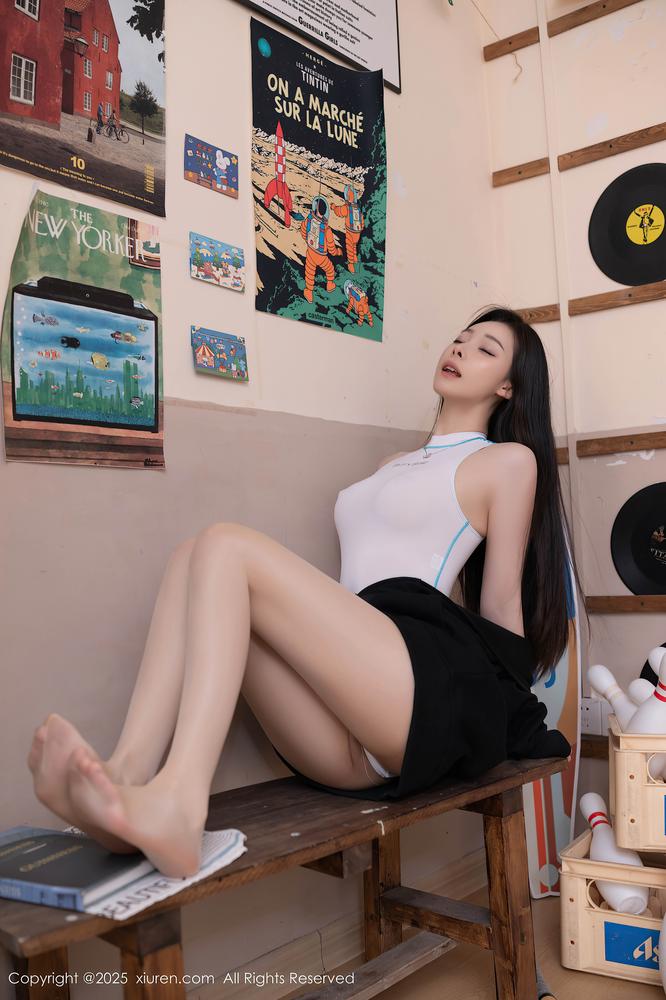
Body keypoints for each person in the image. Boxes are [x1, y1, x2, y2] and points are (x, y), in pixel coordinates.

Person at [27, 305, 579, 885]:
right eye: (460, 337)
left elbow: (499, 605)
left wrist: (517, 717)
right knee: (190, 557)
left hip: (411, 684)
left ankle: (180, 805)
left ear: (508, 386)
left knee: (225, 544)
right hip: (347, 724)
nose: (461, 348)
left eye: (486, 349)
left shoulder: (507, 462)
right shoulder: (391, 465)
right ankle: (126, 776)